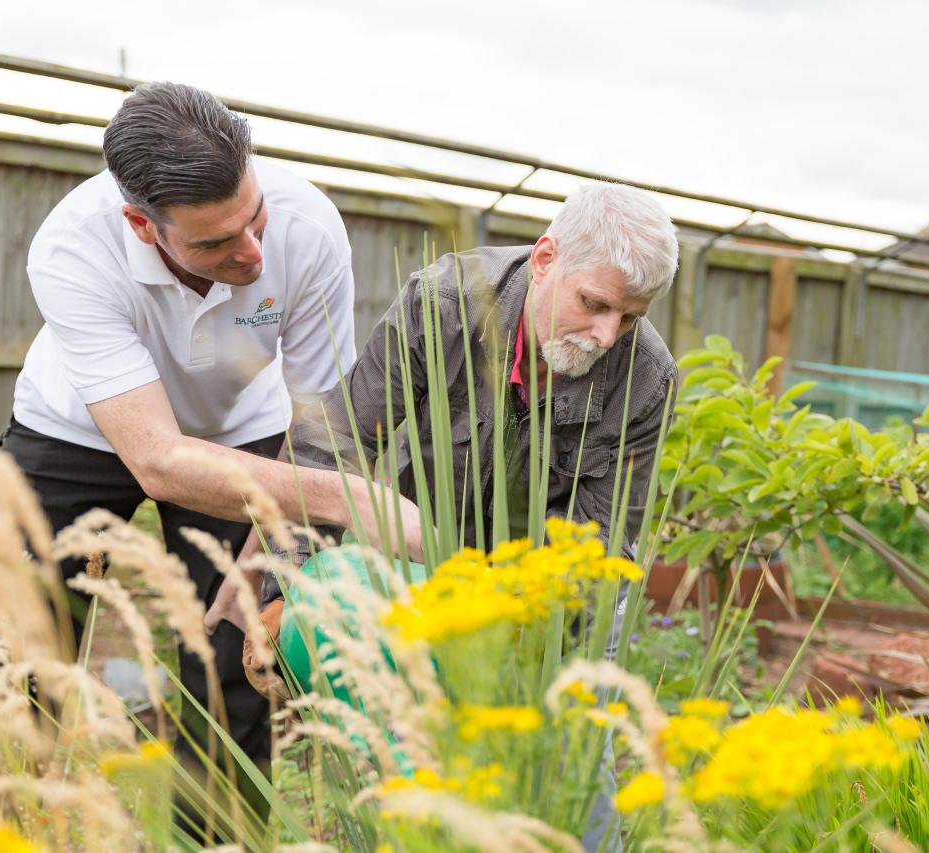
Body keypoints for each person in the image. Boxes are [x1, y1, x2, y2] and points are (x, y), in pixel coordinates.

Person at [0, 81, 423, 835]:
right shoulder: (72, 248)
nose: (253, 253)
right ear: (140, 223)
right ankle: (9, 820)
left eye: (253, 219)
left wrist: (262, 553)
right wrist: (348, 502)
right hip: (83, 428)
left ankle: (217, 842)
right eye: (216, 243)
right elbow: (158, 459)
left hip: (245, 434)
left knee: (235, 658)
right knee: (17, 644)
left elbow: (324, 424)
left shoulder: (308, 226)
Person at [228, 181, 680, 851]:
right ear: (548, 256)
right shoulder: (445, 304)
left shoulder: (645, 379)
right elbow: (339, 443)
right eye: (596, 303)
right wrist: (284, 587)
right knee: (415, 747)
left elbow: (603, 548)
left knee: (570, 765)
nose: (608, 334)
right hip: (427, 555)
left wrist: (502, 643)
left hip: (554, 596)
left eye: (631, 316)